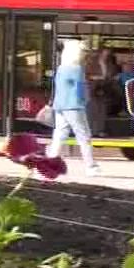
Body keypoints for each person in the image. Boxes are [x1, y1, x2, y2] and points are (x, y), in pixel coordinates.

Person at [49, 40, 99, 175]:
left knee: (59, 135)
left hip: (59, 105)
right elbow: (80, 89)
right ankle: (91, 166)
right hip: (75, 106)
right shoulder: (77, 69)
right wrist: (85, 101)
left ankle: (48, 164)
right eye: (84, 53)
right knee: (84, 136)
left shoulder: (61, 68)